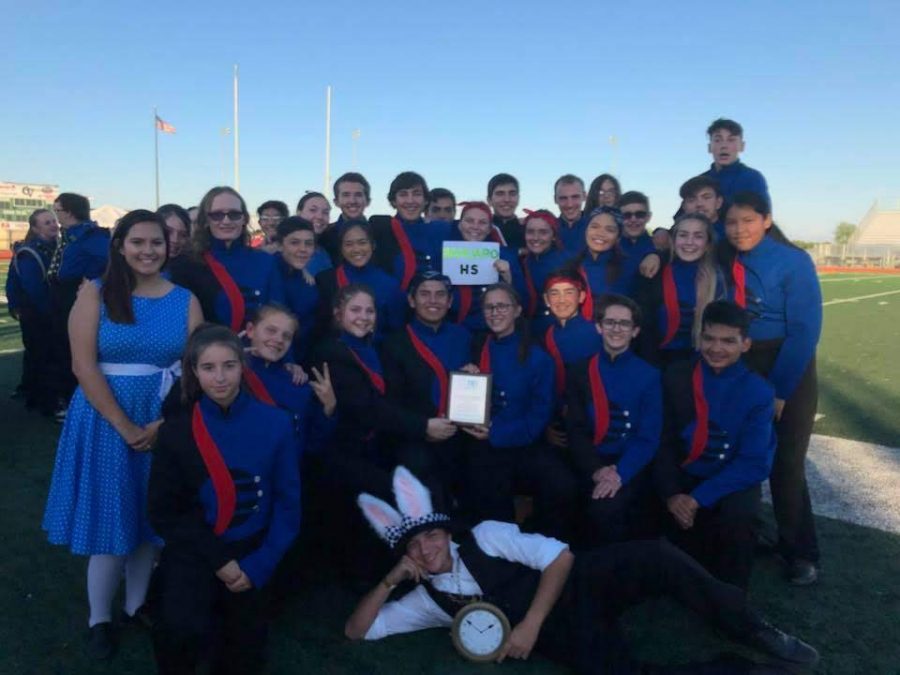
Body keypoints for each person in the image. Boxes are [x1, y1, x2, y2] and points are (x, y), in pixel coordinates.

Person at [346, 467, 819, 674]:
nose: (427, 548)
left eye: (431, 536)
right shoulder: (428, 601)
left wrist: (528, 626)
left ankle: (752, 627)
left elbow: (561, 557)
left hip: (575, 584)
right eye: (415, 545)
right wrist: (391, 581)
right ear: (407, 555)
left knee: (655, 555)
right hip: (564, 634)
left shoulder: (485, 534)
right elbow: (357, 631)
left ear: (446, 534)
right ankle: (745, 672)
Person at [42, 209, 202, 659]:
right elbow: (83, 365)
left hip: (163, 416)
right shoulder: (94, 293)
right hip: (104, 418)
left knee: (150, 519)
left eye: (157, 242)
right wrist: (125, 425)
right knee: (110, 519)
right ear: (120, 246)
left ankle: (136, 606)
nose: (148, 250)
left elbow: (194, 367)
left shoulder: (185, 299)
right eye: (138, 242)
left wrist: (165, 423)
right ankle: (100, 617)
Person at [148, 323, 301, 674]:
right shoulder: (176, 432)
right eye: (208, 368)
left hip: (253, 552)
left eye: (229, 366)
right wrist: (220, 561)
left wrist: (259, 565)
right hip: (197, 550)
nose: (220, 378)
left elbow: (288, 505)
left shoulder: (276, 423)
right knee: (178, 632)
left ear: (242, 367)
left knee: (244, 652)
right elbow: (164, 512)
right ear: (193, 372)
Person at [720, 192, 822, 586]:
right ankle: (749, 534)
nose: (739, 229)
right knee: (740, 455)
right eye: (731, 222)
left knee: (786, 463)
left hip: (785, 364)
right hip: (740, 361)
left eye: (747, 220)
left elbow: (804, 330)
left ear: (766, 220)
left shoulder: (793, 260)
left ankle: (801, 551)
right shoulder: (726, 257)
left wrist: (779, 389)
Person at [310, 284, 429, 580]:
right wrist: (423, 426)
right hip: (341, 449)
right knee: (384, 492)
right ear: (339, 314)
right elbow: (365, 407)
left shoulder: (375, 347)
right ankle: (366, 576)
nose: (363, 317)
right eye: (355, 310)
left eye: (369, 311)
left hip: (373, 444)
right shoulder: (330, 352)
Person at [655, 301, 775, 591]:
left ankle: (730, 595)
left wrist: (696, 499)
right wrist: (672, 494)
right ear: (699, 337)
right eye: (709, 339)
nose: (716, 349)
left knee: (739, 517)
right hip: (684, 474)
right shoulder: (676, 375)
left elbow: (753, 463)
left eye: (728, 341)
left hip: (728, 479)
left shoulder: (758, 391)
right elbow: (663, 442)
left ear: (745, 344)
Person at [464, 284, 577, 540]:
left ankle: (546, 552)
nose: (495, 312)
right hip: (481, 444)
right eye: (489, 307)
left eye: (502, 306)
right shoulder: (475, 347)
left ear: (517, 310)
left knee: (562, 486)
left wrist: (495, 434)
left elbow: (539, 417)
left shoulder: (538, 358)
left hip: (522, 442)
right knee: (487, 491)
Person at [566, 294, 661, 545]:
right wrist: (597, 470)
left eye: (624, 324)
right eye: (610, 322)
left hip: (628, 464)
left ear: (635, 331)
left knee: (607, 510)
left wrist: (619, 474)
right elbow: (575, 429)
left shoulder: (649, 376)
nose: (616, 329)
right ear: (599, 327)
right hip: (590, 461)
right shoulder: (579, 371)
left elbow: (648, 437)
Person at [380, 271, 474, 509]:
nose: (433, 300)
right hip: (417, 436)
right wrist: (424, 427)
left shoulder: (464, 337)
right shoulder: (394, 343)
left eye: (440, 295)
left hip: (462, 433)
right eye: (424, 294)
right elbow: (390, 405)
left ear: (450, 302)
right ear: (411, 301)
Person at [168, 186, 285, 333]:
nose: (226, 220)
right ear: (205, 220)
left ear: (244, 219)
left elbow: (278, 319)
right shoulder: (185, 265)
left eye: (234, 214)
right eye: (217, 215)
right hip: (206, 352)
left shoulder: (265, 262)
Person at [243, 304, 336, 457]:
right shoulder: (231, 374)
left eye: (286, 336)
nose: (279, 339)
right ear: (250, 330)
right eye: (271, 330)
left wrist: (328, 408)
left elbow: (313, 445)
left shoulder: (298, 385)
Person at [48, 192, 111, 412]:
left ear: (71, 212)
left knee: (73, 349)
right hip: (61, 295)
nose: (56, 216)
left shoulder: (90, 235)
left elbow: (108, 260)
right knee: (61, 346)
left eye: (58, 211)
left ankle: (78, 400)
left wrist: (92, 279)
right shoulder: (72, 234)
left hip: (74, 295)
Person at [635, 213, 723, 367]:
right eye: (683, 235)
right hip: (656, 361)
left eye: (698, 236)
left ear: (708, 243)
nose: (689, 242)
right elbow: (643, 328)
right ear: (673, 240)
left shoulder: (718, 278)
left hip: (702, 363)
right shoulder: (654, 271)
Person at [540, 272, 604, 452]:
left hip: (585, 422)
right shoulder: (546, 333)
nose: (561, 300)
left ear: (582, 296)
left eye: (569, 292)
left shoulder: (594, 334)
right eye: (554, 293)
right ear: (546, 299)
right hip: (556, 419)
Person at [315, 219, 407, 341]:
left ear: (373, 245)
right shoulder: (325, 280)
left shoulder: (390, 284)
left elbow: (396, 331)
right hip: (336, 353)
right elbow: (320, 328)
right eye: (349, 244)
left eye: (362, 242)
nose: (356, 249)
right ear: (341, 248)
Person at [7, 209, 59, 416]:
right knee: (43, 355)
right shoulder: (30, 252)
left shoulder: (53, 247)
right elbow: (34, 288)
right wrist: (52, 313)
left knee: (35, 354)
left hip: (40, 311)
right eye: (47, 223)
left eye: (53, 220)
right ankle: (42, 401)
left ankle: (29, 390)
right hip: (37, 313)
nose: (53, 225)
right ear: (35, 228)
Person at [447, 202, 525, 332]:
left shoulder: (505, 255)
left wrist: (509, 278)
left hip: (494, 330)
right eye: (469, 221)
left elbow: (523, 300)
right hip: (454, 327)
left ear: (489, 229)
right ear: (460, 225)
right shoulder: (446, 254)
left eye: (482, 222)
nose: (475, 227)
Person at [371, 172, 452, 290]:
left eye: (417, 194)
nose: (410, 200)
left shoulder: (441, 230)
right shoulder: (381, 229)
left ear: (425, 200)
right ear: (394, 201)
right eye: (403, 194)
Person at [573, 207, 642, 318]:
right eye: (595, 227)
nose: (600, 233)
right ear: (586, 230)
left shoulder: (630, 268)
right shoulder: (572, 265)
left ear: (618, 237)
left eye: (609, 230)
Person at [273, 217, 320, 363]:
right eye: (295, 243)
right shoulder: (269, 273)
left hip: (305, 357)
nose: (303, 249)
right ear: (280, 245)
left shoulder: (305, 278)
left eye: (309, 244)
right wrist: (289, 362)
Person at [518, 209, 573, 327]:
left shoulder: (565, 263)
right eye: (530, 232)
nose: (536, 237)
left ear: (553, 236)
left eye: (543, 232)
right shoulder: (525, 260)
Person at [703, 118, 771, 210]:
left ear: (742, 146)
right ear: (709, 147)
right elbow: (682, 219)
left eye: (731, 140)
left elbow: (763, 216)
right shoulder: (700, 182)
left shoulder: (752, 178)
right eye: (718, 140)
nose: (724, 146)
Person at [324, 172, 372, 264]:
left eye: (358, 195)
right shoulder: (325, 236)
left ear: (367, 201)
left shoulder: (379, 233)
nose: (352, 201)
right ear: (336, 201)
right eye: (346, 195)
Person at [295, 192, 333, 275]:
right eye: (313, 210)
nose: (320, 216)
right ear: (299, 213)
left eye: (325, 212)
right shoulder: (280, 249)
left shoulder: (323, 254)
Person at [680, 175, 726, 240]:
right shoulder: (673, 238)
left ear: (719, 202)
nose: (699, 204)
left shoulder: (731, 235)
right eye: (691, 200)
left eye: (706, 197)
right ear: (684, 206)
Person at [553, 174, 588, 256]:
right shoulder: (547, 230)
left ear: (584, 196)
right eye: (563, 198)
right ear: (555, 199)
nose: (570, 205)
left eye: (575, 197)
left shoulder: (596, 228)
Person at [487, 173, 524, 250]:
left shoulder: (529, 231)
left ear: (518, 198)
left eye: (512, 194)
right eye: (500, 194)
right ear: (489, 200)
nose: (507, 199)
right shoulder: (478, 230)